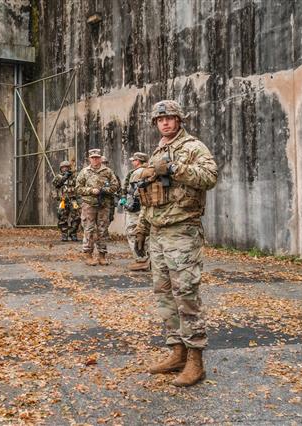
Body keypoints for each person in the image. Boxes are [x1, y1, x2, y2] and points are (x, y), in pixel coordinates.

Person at [135, 100, 218, 387]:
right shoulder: (157, 150)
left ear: (179, 120)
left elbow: (210, 177)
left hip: (183, 231)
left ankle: (196, 361)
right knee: (165, 294)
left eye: (170, 118)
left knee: (186, 294)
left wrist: (173, 167)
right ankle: (177, 352)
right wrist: (142, 228)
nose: (165, 123)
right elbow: (151, 195)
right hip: (158, 232)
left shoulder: (193, 147)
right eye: (160, 120)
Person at [75, 149, 121, 266]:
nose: (95, 160)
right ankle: (89, 255)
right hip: (89, 205)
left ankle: (102, 255)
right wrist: (91, 190)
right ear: (89, 159)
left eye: (97, 157)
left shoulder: (108, 171)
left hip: (103, 204)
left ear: (100, 158)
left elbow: (115, 185)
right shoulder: (84, 172)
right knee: (89, 230)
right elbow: (78, 188)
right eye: (93, 158)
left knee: (102, 230)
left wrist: (103, 190)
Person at [119, 152, 150, 271]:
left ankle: (141, 259)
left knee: (133, 232)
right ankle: (148, 259)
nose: (132, 162)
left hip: (136, 209)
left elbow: (134, 192)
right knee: (146, 233)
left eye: (134, 160)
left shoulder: (137, 173)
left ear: (138, 161)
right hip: (147, 208)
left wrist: (127, 204)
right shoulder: (149, 171)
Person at [52, 160, 81, 241]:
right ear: (61, 169)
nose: (65, 169)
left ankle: (73, 233)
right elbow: (55, 184)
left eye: (66, 167)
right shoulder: (58, 177)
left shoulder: (75, 177)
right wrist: (64, 177)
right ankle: (64, 234)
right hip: (63, 200)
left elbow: (79, 186)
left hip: (73, 200)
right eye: (63, 167)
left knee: (77, 217)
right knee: (62, 217)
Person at [101, 155, 117, 223]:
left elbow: (117, 186)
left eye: (105, 163)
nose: (104, 164)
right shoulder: (93, 173)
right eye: (102, 163)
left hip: (110, 199)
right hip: (99, 200)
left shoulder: (111, 173)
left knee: (109, 218)